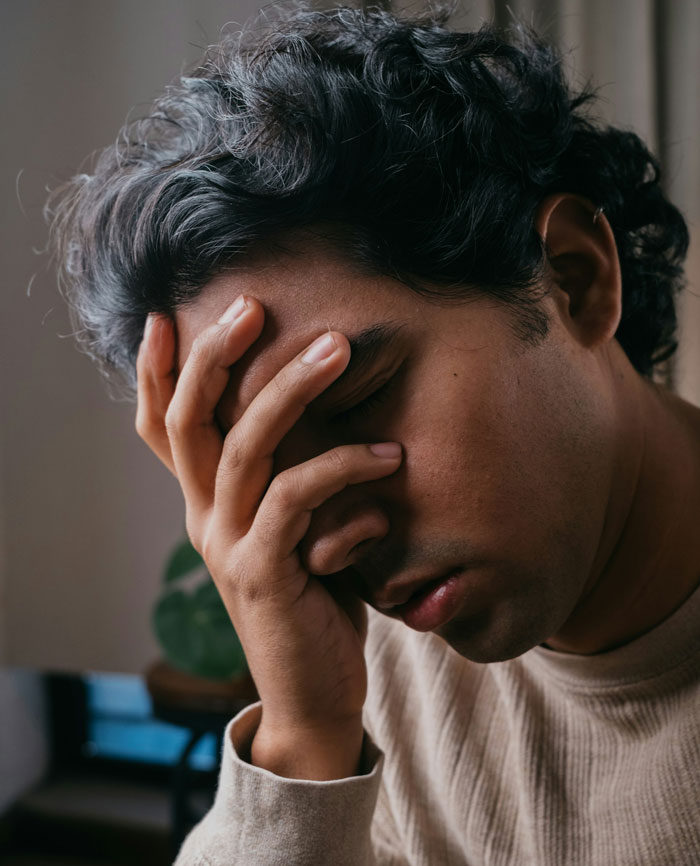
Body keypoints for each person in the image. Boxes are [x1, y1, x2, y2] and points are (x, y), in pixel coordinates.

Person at [49, 4, 700, 863]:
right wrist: (304, 740)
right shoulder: (373, 678)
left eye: (362, 399)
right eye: (274, 477)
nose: (336, 539)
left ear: (572, 279)